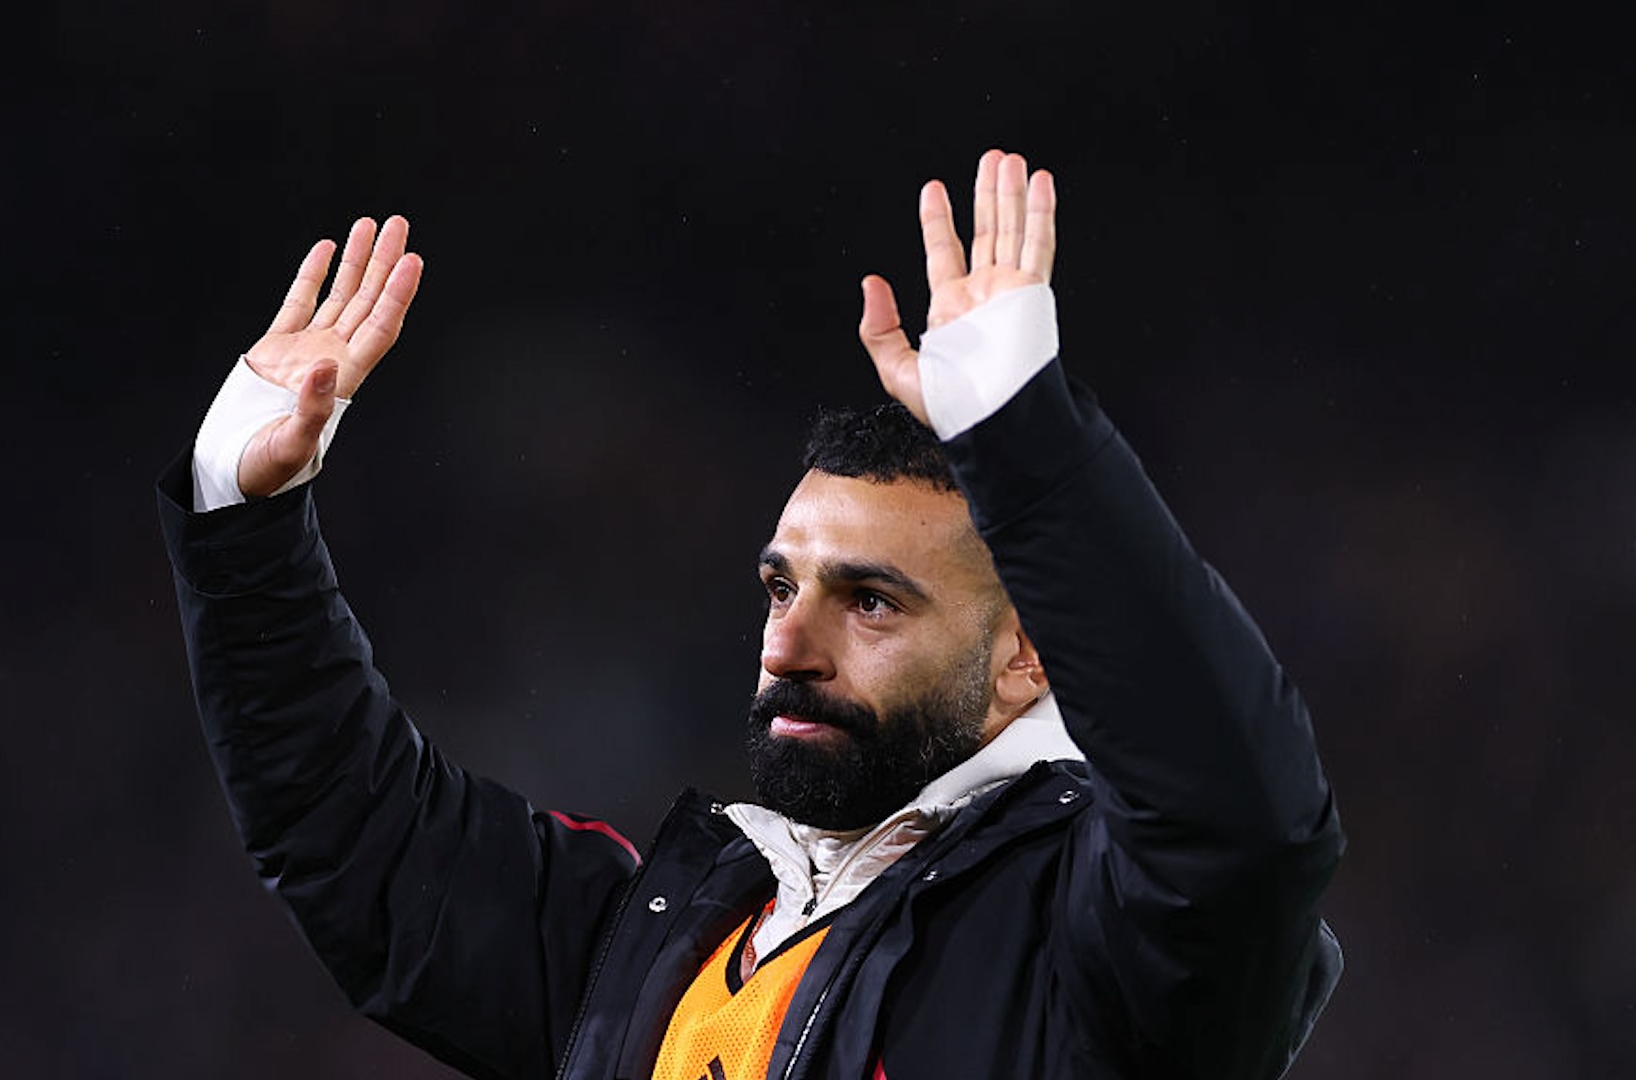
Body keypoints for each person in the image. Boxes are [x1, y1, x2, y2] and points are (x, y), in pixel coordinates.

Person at [158, 149, 1343, 1080]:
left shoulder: (1094, 942)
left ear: (1026, 656)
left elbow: (1242, 823)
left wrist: (1034, 451)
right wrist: (240, 518)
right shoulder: (674, 934)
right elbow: (356, 838)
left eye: (870, 600)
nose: (788, 643)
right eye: (782, 586)